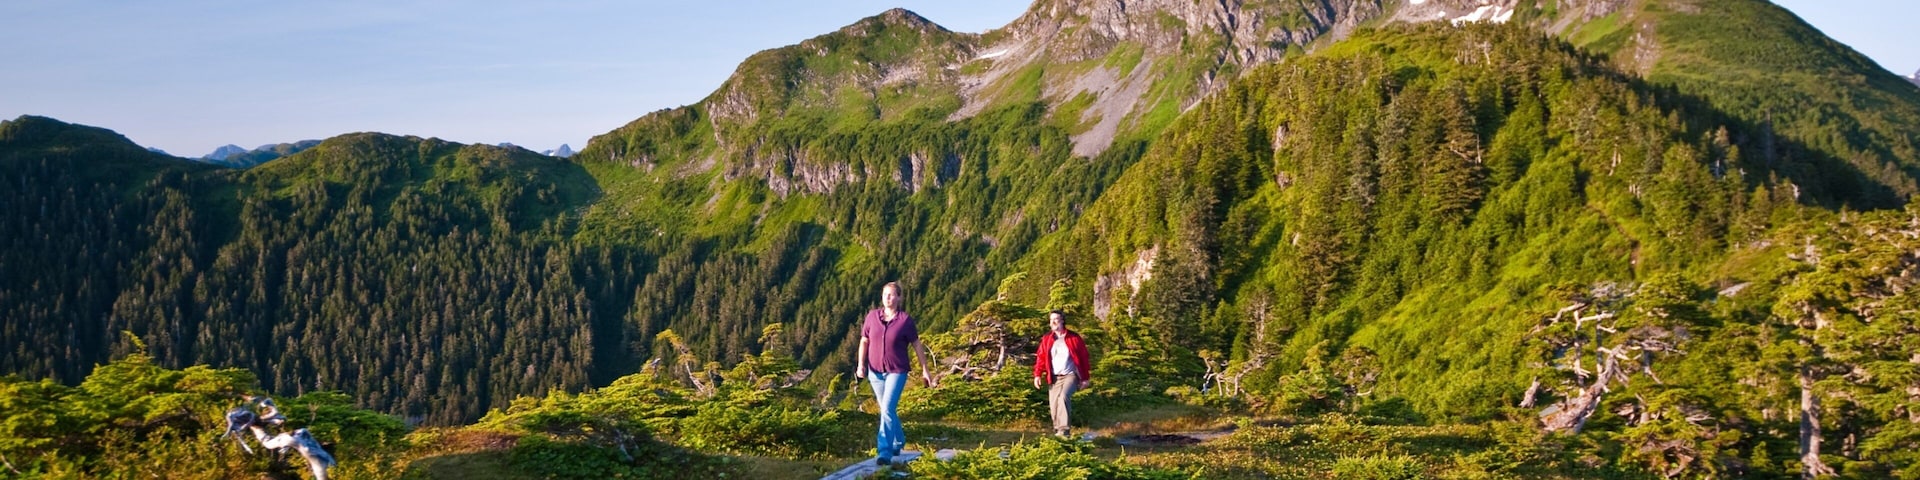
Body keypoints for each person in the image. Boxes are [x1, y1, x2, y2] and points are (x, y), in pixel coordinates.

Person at [855, 281, 937, 466]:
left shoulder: (905, 321)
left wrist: (925, 369)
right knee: (887, 409)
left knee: (887, 409)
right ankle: (899, 441)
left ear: (899, 297)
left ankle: (884, 452)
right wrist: (861, 365)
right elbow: (864, 341)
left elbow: (916, 344)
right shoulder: (872, 317)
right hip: (875, 372)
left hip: (897, 371)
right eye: (885, 294)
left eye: (892, 295)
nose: (888, 298)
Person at [1033, 310, 1091, 438]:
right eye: (1051, 320)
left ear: (1062, 320)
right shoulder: (1047, 339)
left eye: (1056, 319)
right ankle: (1057, 431)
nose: (1053, 322)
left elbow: (1084, 358)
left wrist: (1085, 378)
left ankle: (1064, 431)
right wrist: (1037, 375)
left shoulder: (1074, 338)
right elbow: (1041, 357)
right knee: (1054, 404)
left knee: (1064, 397)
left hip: (1070, 375)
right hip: (1054, 376)